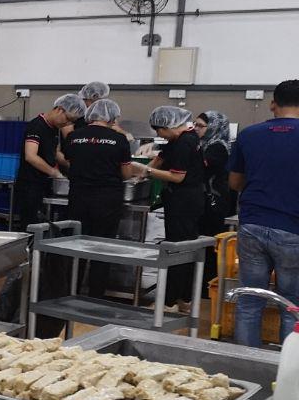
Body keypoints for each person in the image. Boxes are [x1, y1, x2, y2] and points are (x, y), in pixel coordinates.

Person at [228, 80, 299, 346]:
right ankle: (285, 373)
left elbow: (234, 183)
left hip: (252, 226)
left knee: (249, 301)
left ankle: (247, 365)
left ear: (273, 104)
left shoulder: (249, 134)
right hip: (293, 229)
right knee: (291, 305)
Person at [62, 99, 145, 297]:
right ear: (112, 117)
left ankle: (71, 291)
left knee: (77, 245)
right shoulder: (119, 139)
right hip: (107, 201)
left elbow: (68, 161)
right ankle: (95, 295)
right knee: (102, 247)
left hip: (78, 198)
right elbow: (125, 173)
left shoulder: (74, 136)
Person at [146, 106, 205, 312]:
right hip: (186, 199)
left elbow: (177, 176)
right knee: (183, 247)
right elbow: (161, 158)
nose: (158, 134)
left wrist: (147, 170)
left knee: (178, 249)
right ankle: (183, 298)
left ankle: (169, 300)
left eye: (159, 130)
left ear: (169, 125)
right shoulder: (180, 139)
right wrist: (144, 173)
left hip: (184, 201)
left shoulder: (184, 143)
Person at [13, 93, 86, 230]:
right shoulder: (37, 126)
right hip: (30, 186)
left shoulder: (54, 129)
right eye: (68, 119)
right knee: (31, 228)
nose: (68, 124)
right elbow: (31, 156)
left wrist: (73, 164)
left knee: (44, 227)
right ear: (59, 109)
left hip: (43, 185)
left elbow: (55, 152)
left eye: (72, 122)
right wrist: (54, 172)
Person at [194, 110, 236, 290]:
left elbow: (200, 167)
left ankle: (206, 288)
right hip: (208, 200)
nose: (196, 129)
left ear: (213, 127)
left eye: (201, 126)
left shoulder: (218, 147)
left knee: (211, 246)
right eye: (194, 125)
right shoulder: (205, 144)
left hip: (215, 204)